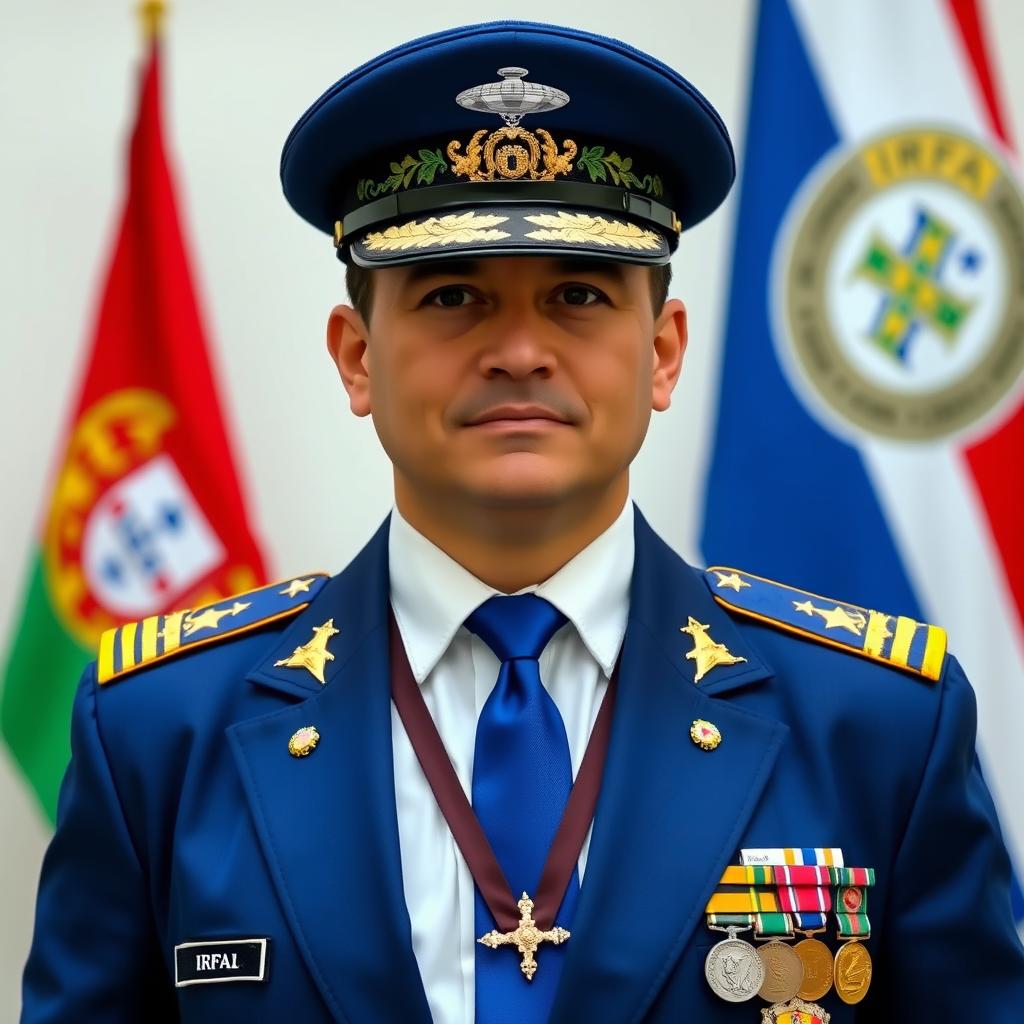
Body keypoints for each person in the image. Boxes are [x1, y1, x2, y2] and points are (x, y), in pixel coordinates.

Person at [21, 19, 1024, 1024]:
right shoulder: (162, 727)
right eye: (452, 294)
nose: (517, 351)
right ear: (356, 356)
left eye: (578, 294)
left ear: (664, 351)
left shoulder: (875, 721)